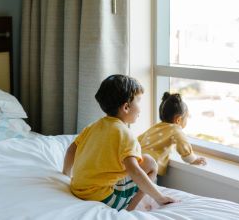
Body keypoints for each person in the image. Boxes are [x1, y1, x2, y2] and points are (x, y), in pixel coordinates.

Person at [62, 75, 177, 211]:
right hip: (102, 196)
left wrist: (65, 174)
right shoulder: (125, 134)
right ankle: (129, 210)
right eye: (138, 101)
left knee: (143, 160)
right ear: (126, 107)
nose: (140, 108)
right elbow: (133, 170)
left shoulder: (93, 126)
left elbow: (71, 150)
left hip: (77, 188)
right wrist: (160, 197)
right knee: (150, 163)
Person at [138, 92, 207, 176]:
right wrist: (193, 159)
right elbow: (183, 144)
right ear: (178, 119)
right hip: (150, 165)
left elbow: (138, 140)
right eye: (187, 117)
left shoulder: (156, 127)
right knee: (149, 187)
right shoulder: (175, 129)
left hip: (137, 161)